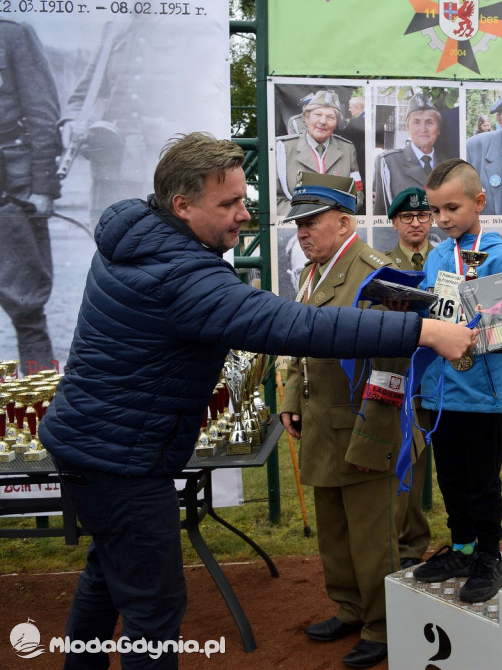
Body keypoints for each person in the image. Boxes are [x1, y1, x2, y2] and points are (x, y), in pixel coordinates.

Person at [37, 132, 476, 668]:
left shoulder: (137, 236)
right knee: (153, 607)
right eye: (228, 203)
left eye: (243, 199)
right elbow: (294, 325)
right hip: (122, 461)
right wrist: (423, 331)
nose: (244, 215)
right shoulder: (181, 275)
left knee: (108, 573)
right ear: (182, 205)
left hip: (95, 446)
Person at [278, 173, 411, 668]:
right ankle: (350, 607)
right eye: (298, 224)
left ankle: (381, 623)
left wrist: (373, 431)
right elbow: (301, 340)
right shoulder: (316, 270)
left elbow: (393, 362)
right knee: (335, 529)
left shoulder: (377, 273)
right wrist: (292, 394)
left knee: (372, 534)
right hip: (321, 421)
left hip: (361, 425)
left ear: (344, 221)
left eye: (311, 222)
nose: (302, 232)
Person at [411, 159, 502, 604]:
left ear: (479, 201)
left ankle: (490, 557)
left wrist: (482, 317)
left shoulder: (498, 255)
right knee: (450, 477)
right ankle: (461, 548)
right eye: (436, 211)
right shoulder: (438, 255)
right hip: (439, 388)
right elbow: (430, 314)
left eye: (451, 208)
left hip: (480, 392)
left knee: (481, 479)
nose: (442, 220)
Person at [0, 19, 62, 376]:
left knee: (27, 306)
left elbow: (41, 114)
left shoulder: (12, 35)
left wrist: (42, 189)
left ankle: (40, 402)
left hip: (12, 190)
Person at [380, 186, 435, 569]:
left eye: (422, 216)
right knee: (407, 468)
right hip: (403, 379)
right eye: (406, 217)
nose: (415, 223)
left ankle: (470, 544)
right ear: (395, 222)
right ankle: (408, 546)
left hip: (446, 378)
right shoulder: (381, 266)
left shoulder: (451, 260)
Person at [276, 89, 361, 215]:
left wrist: (331, 216)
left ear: (336, 122)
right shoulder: (283, 148)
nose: (322, 121)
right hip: (297, 227)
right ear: (306, 118)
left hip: (335, 225)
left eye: (330, 117)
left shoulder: (348, 149)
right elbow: (275, 198)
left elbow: (357, 194)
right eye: (317, 114)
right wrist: (309, 217)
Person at [372, 93, 447, 215]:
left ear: (438, 129)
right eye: (416, 122)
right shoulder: (388, 163)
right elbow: (380, 216)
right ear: (407, 127)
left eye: (429, 122)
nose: (423, 128)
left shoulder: (449, 165)